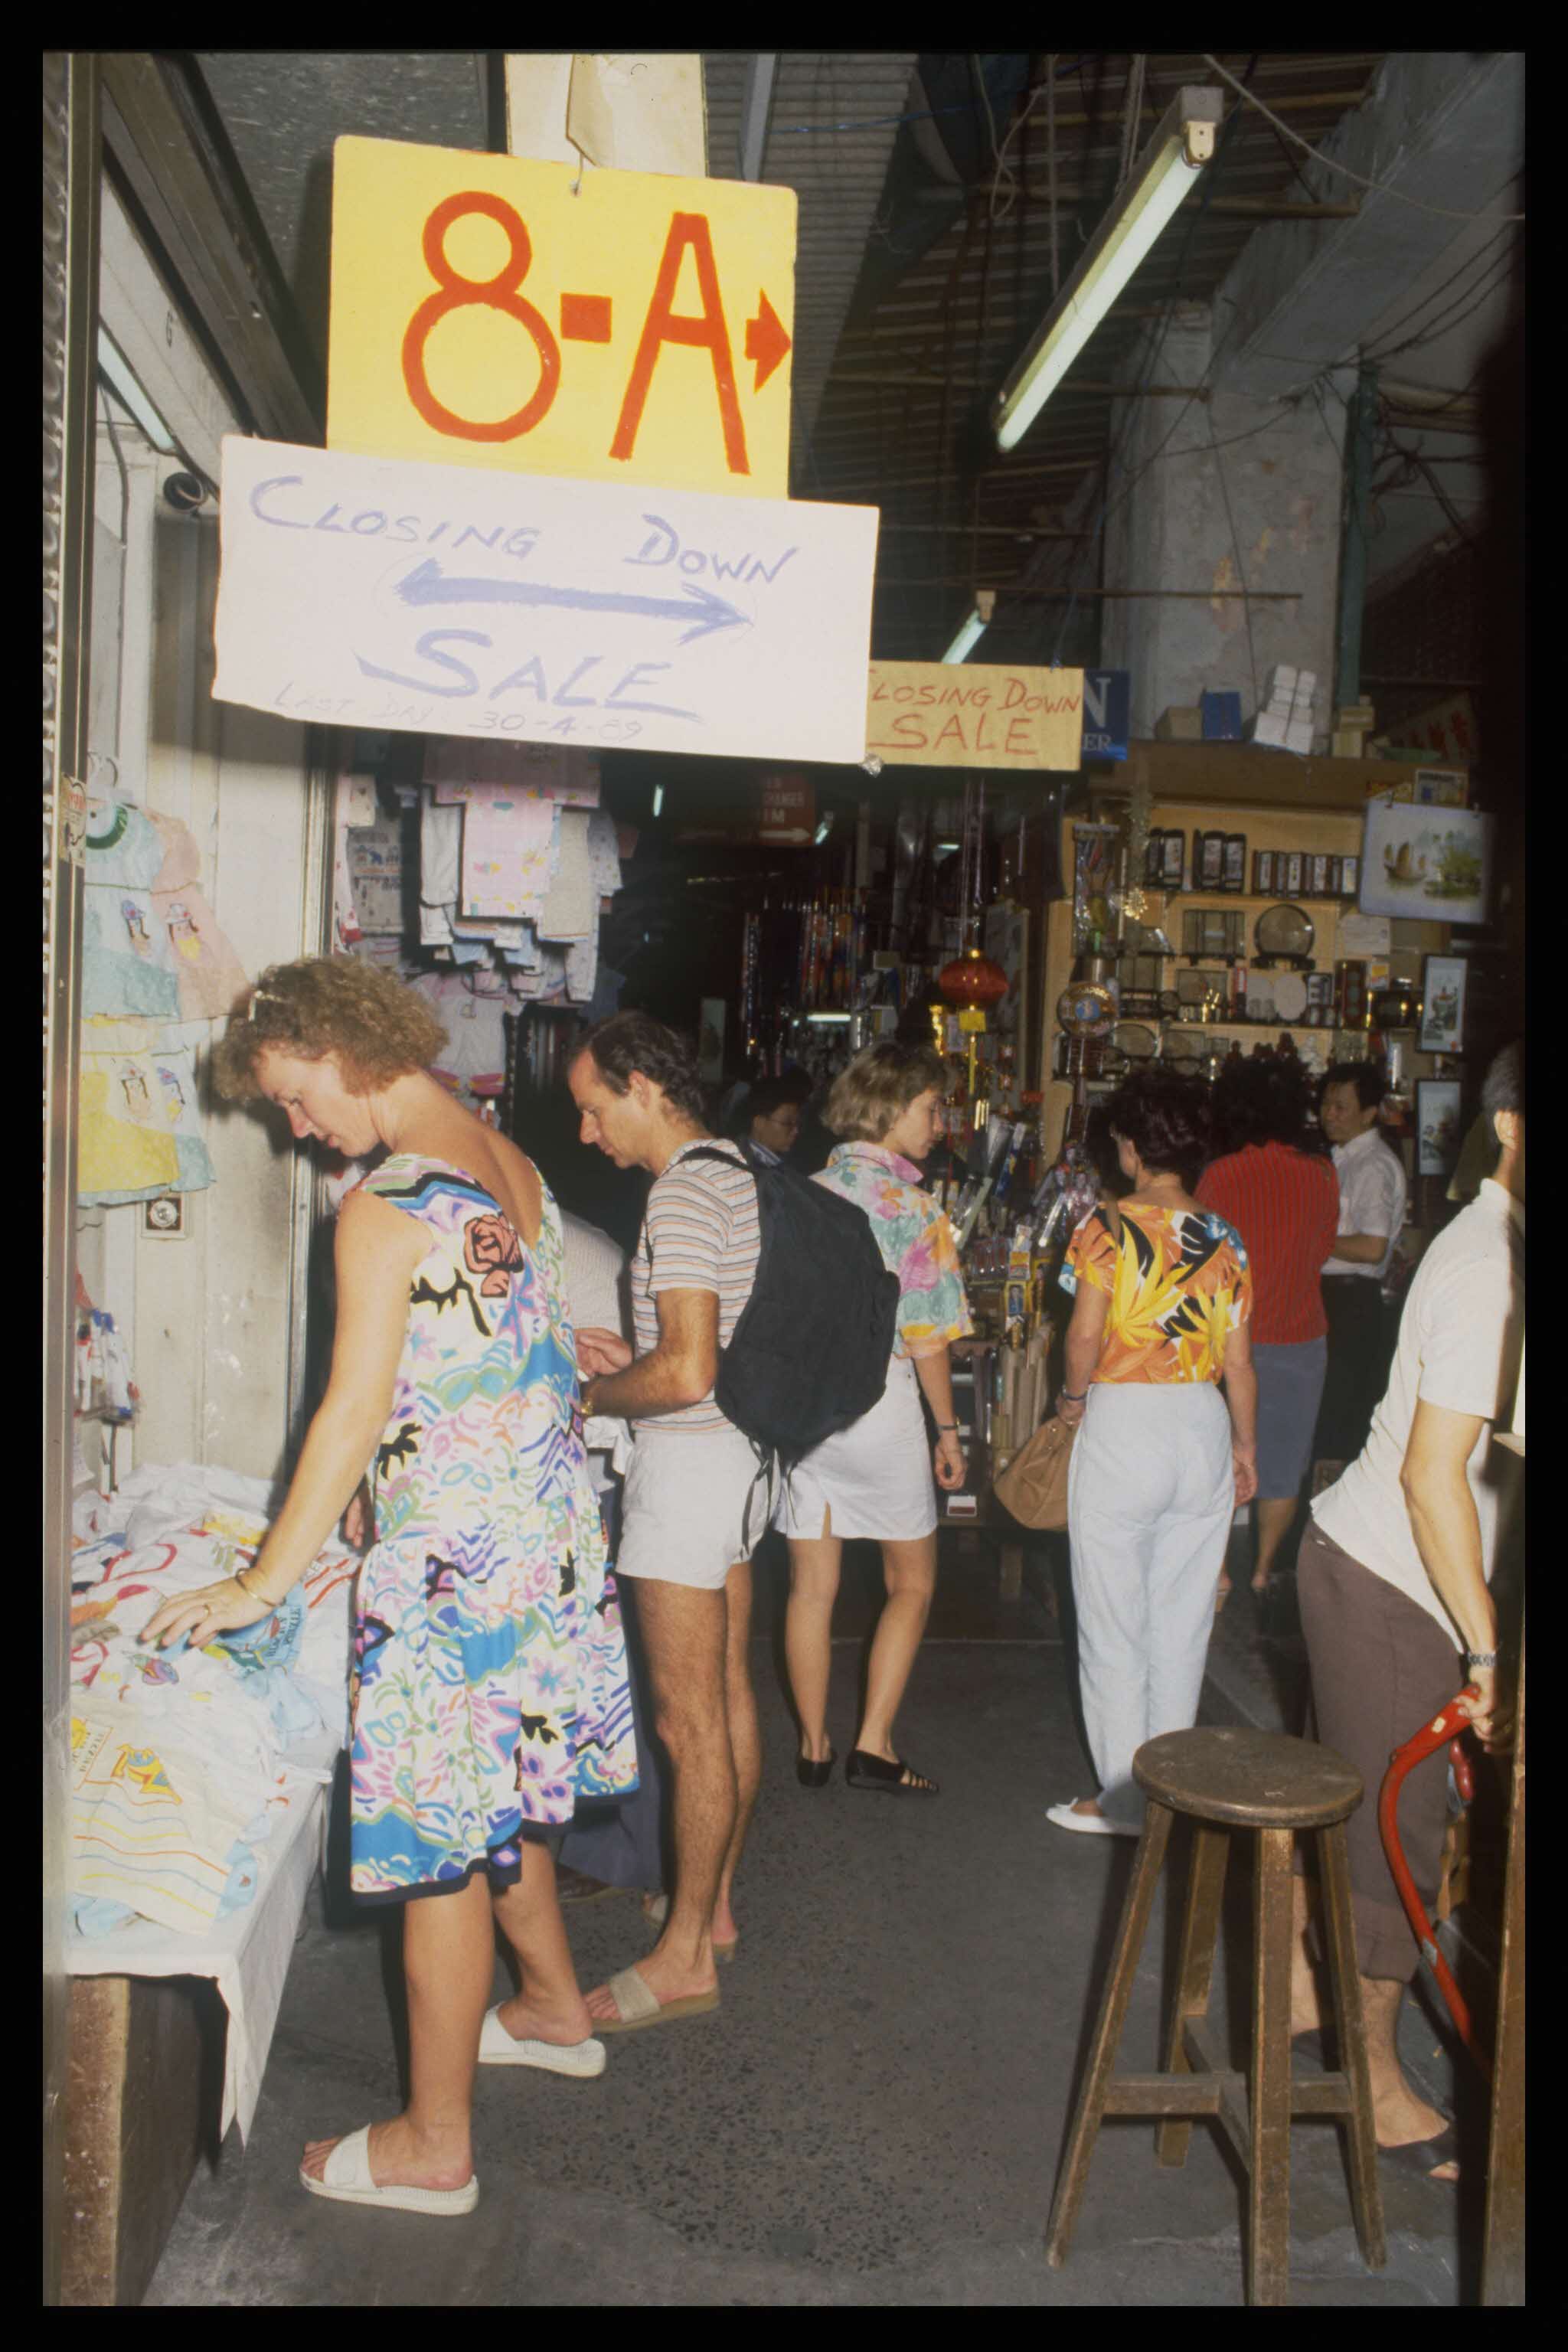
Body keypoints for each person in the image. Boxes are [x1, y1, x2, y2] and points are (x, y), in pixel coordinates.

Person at [139, 957, 636, 2216]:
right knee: (509, 1798)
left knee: (436, 1859)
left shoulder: (382, 1206)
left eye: (298, 1099)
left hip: (454, 1573)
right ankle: (555, 2008)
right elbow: (498, 1357)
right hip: (542, 1543)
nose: (299, 1129)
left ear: (344, 1049)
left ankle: (433, 2141)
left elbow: (352, 1407)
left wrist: (263, 1579)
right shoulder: (504, 1158)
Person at [1291, 1041, 1524, 2185]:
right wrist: (1487, 1653)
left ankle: (1295, 2000)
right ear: (1515, 1130)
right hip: (1394, 1581)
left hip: (1387, 1568)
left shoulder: (1506, 1247)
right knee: (1401, 1843)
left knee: (1374, 1813)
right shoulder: (1489, 1263)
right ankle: (1374, 2089)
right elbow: (1438, 1481)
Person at [567, 1012, 765, 2033]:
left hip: (685, 1474)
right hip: (739, 1462)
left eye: (596, 1110)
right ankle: (714, 1911)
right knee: (726, 1697)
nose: (591, 1135)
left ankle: (685, 1955)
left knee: (686, 1721)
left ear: (642, 1086)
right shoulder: (734, 1171)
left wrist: (593, 1398)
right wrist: (627, 1360)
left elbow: (687, 1369)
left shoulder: (680, 1191)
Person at [1049, 1068, 1256, 1836]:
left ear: (1133, 1150)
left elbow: (1081, 1335)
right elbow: (1240, 1363)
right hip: (1200, 1424)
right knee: (1181, 1620)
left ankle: (1120, 1800)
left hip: (1123, 1424)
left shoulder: (1106, 1228)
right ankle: (1172, 1792)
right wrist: (1243, 1449)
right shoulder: (1224, 1237)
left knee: (1111, 1621)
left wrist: (1070, 1402)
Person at [779, 1040, 972, 1796]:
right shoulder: (915, 1210)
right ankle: (874, 1744)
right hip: (880, 1404)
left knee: (809, 1588)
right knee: (911, 1583)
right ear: (890, 1110)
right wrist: (947, 1432)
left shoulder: (799, 1195)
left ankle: (812, 1744)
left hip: (804, 1412)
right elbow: (925, 1337)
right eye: (929, 1109)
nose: (939, 1124)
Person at [551, 1210, 668, 1909]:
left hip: (614, 1480)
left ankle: (630, 1853)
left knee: (624, 1675)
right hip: (607, 1476)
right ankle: (616, 1845)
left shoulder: (556, 1247)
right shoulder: (564, 1233)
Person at [1197, 1055, 1340, 1604]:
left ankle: (1218, 1571)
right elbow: (1324, 1248)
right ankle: (1261, 1570)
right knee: (1284, 1461)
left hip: (1229, 1342)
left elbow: (1201, 1262)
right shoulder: (1323, 1173)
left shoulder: (1221, 1175)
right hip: (1302, 1336)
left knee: (1219, 1458)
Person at [1315, 1061, 1408, 1468]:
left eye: (1341, 1106)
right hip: (1335, 1299)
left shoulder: (1371, 1165)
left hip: (1351, 1303)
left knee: (1339, 1421)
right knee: (1327, 1417)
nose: (1329, 1114)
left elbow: (1372, 1247)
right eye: (1326, 1104)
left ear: (1369, 1112)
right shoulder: (1343, 1159)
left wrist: (1309, 1242)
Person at [730, 1068, 811, 1165]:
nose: (796, 1131)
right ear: (759, 1123)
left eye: (797, 1123)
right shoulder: (751, 1166)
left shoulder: (773, 1161)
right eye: (788, 1123)